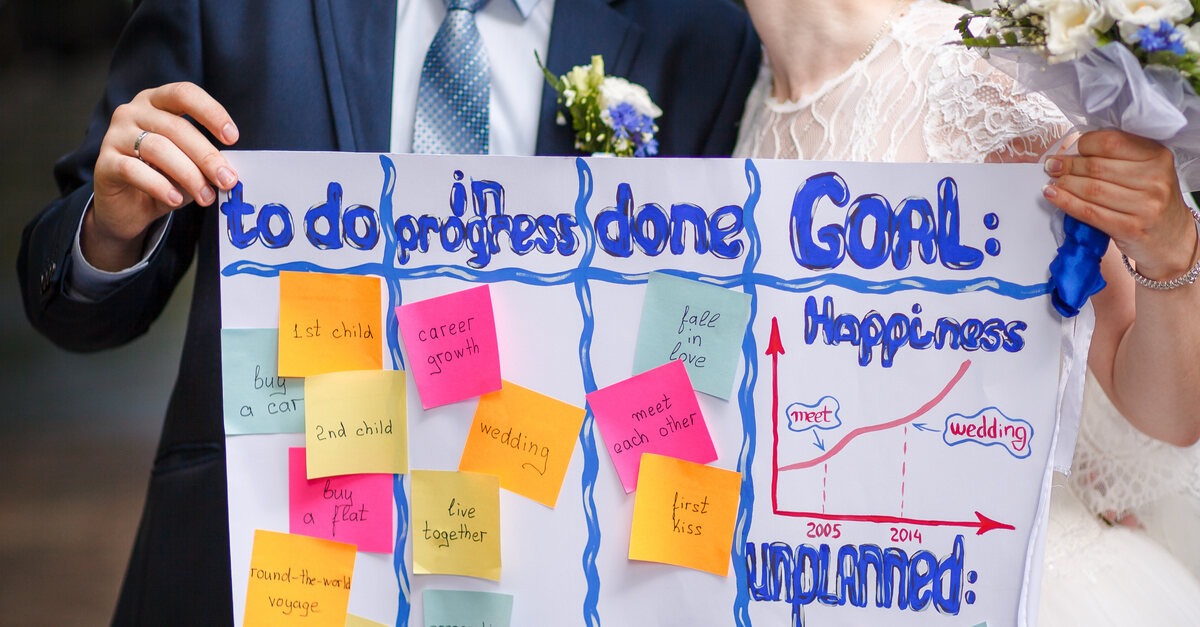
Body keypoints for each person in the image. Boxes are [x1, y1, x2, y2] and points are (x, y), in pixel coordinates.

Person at [16, 0, 761, 623]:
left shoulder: (698, 35)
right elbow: (75, 306)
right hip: (267, 563)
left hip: (547, 564)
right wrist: (111, 232)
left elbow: (700, 356)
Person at [734, 0, 1200, 624]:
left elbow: (1164, 415)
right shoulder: (755, 104)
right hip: (834, 586)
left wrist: (1169, 252)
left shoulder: (986, 71)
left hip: (1018, 593)